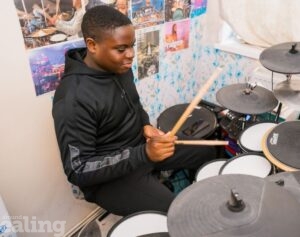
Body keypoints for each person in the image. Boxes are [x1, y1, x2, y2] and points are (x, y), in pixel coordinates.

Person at [52, 5, 216, 216]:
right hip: (109, 179)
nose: (130, 55)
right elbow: (78, 169)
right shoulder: (73, 99)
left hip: (140, 150)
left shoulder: (118, 66)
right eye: (121, 49)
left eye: (132, 46)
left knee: (206, 151)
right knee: (175, 213)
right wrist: (143, 154)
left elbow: (135, 104)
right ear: (92, 45)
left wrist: (146, 125)